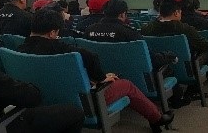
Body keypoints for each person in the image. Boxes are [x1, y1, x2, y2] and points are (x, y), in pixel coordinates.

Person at [18, 9, 173, 133]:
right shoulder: (62, 49)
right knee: (126, 85)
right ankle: (157, 118)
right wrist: (101, 79)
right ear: (52, 33)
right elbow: (90, 56)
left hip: (42, 102)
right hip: (83, 102)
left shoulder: (17, 51)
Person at [141, 0, 208, 57]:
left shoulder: (146, 29)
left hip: (158, 65)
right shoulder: (186, 29)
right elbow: (205, 45)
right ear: (176, 13)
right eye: (180, 12)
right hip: (185, 65)